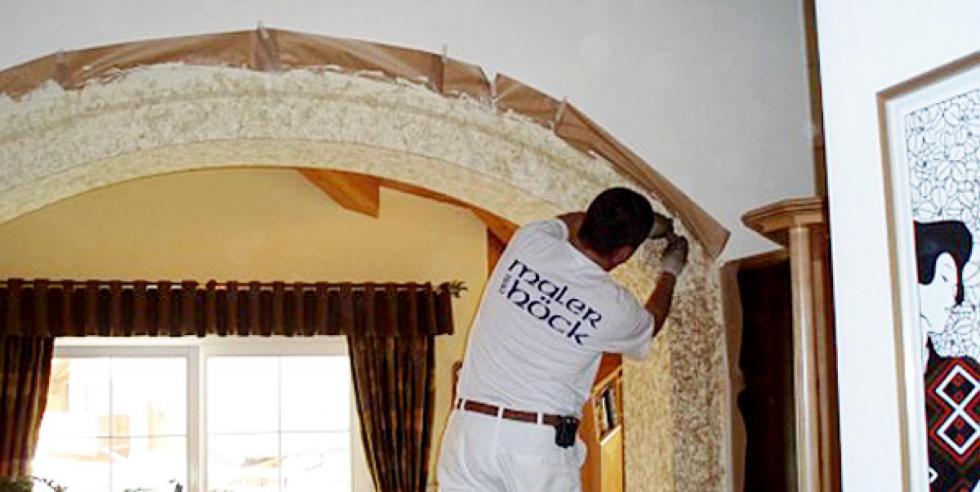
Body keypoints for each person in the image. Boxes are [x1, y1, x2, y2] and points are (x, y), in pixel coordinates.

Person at [437, 187, 689, 491]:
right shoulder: (614, 306)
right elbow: (651, 323)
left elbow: (567, 222)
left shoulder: (531, 241)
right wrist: (669, 272)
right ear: (624, 254)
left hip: (469, 433)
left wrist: (635, 226)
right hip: (534, 447)